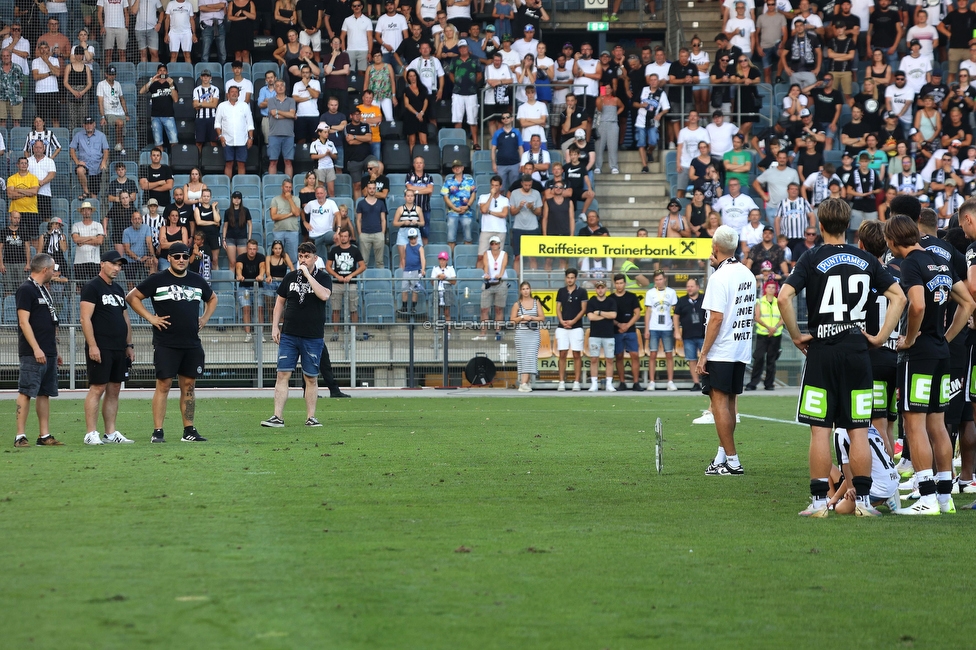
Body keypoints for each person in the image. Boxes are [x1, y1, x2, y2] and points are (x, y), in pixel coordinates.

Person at [779, 198, 906, 516]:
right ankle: (863, 502)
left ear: (820, 226)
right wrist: (879, 337)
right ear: (848, 226)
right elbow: (899, 297)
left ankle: (820, 502)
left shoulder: (811, 257)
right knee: (858, 428)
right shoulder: (866, 258)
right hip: (856, 350)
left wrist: (796, 335)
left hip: (823, 350)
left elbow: (784, 297)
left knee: (820, 428)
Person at [885, 215, 973, 514]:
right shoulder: (940, 260)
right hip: (940, 352)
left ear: (893, 240)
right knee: (937, 423)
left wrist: (909, 338)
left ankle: (925, 496)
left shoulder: (910, 263)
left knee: (914, 422)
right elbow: (969, 303)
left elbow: (918, 304)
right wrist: (946, 337)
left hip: (919, 354)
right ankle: (945, 497)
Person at [127, 243, 218, 443]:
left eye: (185, 257)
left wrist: (204, 318)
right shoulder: (157, 279)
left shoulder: (196, 280)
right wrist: (151, 318)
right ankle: (158, 431)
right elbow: (132, 297)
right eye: (176, 256)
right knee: (164, 385)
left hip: (191, 343)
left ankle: (189, 431)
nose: (181, 260)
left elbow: (212, 299)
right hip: (166, 342)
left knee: (189, 387)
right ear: (169, 258)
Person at [694, 225, 756, 475]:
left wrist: (703, 353)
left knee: (718, 404)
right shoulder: (747, 273)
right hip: (740, 348)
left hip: (722, 348)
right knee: (729, 404)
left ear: (715, 248)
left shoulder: (719, 277)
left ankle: (732, 460)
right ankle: (722, 457)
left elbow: (716, 318)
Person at [261, 242, 335, 428]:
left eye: (307, 256)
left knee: (310, 377)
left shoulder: (324, 277)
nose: (303, 260)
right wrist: (274, 327)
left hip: (312, 336)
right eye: (301, 256)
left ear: (314, 258)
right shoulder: (290, 277)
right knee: (282, 374)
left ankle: (311, 417)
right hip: (290, 334)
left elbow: (324, 295)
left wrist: (308, 275)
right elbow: (279, 303)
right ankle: (277, 416)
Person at [80, 250, 135, 445]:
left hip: (118, 347)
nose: (117, 268)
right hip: (100, 347)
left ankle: (110, 433)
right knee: (98, 387)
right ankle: (90, 433)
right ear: (102, 264)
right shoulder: (92, 287)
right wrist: (93, 345)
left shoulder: (119, 289)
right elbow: (84, 318)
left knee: (114, 388)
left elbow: (125, 318)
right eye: (113, 264)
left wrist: (129, 345)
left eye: (119, 265)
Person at [14, 254, 62, 447]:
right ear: (45, 270)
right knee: (26, 391)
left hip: (48, 351)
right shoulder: (26, 290)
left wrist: (55, 350)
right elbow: (23, 322)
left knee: (44, 393)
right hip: (33, 352)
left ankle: (44, 435)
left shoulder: (43, 290)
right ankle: (20, 436)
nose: (54, 272)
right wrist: (36, 348)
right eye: (52, 269)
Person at [325, 227, 365, 339]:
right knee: (336, 309)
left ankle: (355, 332)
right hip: (337, 283)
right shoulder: (334, 250)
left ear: (349, 237)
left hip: (351, 283)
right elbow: (327, 266)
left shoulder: (355, 250)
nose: (343, 238)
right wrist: (337, 275)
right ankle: (335, 333)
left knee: (353, 309)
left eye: (345, 236)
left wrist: (351, 275)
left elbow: (362, 266)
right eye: (341, 236)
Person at [746, 279, 783, 391]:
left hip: (776, 334)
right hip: (763, 333)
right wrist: (769, 328)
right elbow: (757, 317)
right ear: (765, 289)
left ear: (776, 289)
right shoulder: (760, 302)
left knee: (771, 360)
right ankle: (753, 383)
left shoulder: (779, 302)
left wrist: (774, 328)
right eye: (769, 287)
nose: (771, 289)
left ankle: (769, 384)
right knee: (759, 358)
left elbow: (783, 317)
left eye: (773, 287)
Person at [644, 270, 678, 391]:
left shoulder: (672, 292)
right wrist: (646, 328)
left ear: (665, 279)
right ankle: (652, 381)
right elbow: (648, 311)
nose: (659, 282)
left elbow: (675, 312)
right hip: (654, 327)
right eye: (656, 280)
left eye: (660, 279)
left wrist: (676, 329)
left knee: (669, 354)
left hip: (667, 327)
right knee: (652, 354)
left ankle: (670, 381)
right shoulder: (650, 293)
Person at [609, 273, 643, 391]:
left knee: (634, 355)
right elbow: (609, 315)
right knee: (619, 356)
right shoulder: (610, 298)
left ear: (625, 283)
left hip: (631, 330)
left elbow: (637, 313)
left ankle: (636, 382)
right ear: (615, 284)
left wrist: (627, 325)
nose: (619, 285)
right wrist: (619, 324)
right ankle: (622, 382)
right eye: (617, 283)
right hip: (616, 330)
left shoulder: (632, 297)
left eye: (621, 283)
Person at [555, 267, 587, 391]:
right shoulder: (561, 291)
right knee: (562, 354)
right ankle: (561, 381)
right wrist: (562, 321)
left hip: (576, 327)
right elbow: (558, 308)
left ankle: (576, 382)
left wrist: (573, 321)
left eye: (572, 277)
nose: (570, 280)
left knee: (576, 354)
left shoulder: (582, 291)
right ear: (565, 278)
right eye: (568, 277)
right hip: (562, 327)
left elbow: (583, 309)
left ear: (576, 278)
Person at [213, 85, 255, 178]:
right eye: (232, 92)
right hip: (227, 140)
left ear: (239, 94)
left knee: (241, 164)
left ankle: (240, 185)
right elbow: (217, 123)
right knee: (229, 163)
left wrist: (250, 138)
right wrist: (220, 136)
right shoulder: (222, 106)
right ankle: (228, 186)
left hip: (242, 140)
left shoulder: (244, 106)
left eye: (236, 92)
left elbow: (250, 123)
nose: (234, 93)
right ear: (228, 94)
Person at [584, 279, 617, 392]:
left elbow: (613, 315)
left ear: (606, 288)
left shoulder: (611, 301)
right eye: (598, 287)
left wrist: (599, 312)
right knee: (594, 359)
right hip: (595, 334)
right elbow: (591, 317)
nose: (600, 290)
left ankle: (609, 383)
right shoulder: (592, 301)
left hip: (609, 334)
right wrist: (605, 315)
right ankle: (594, 383)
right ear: (595, 289)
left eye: (602, 287)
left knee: (609, 359)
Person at [674, 278, 706, 391]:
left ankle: (706, 382)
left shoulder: (704, 299)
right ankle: (696, 383)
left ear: (697, 287)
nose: (689, 288)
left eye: (691, 286)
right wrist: (677, 331)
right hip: (688, 336)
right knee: (691, 359)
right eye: (688, 286)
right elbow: (676, 316)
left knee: (706, 359)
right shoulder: (682, 300)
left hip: (703, 335)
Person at [474, 235, 507, 340]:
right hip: (489, 283)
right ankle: (483, 333)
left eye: (496, 243)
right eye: (492, 243)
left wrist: (500, 275)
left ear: (499, 244)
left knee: (499, 309)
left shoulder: (504, 254)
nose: (494, 245)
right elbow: (486, 265)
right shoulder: (486, 253)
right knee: (484, 309)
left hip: (500, 283)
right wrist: (486, 274)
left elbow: (503, 266)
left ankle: (498, 332)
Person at [70, 117, 110, 201]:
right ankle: (86, 191)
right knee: (80, 170)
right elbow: (72, 149)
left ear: (94, 124)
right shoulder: (78, 135)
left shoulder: (101, 136)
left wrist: (103, 162)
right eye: (87, 124)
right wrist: (77, 162)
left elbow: (105, 150)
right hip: (84, 164)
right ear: (83, 125)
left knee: (94, 195)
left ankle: (94, 210)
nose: (89, 126)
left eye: (91, 124)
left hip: (96, 167)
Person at [141, 64, 179, 147]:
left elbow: (176, 99)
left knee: (174, 141)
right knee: (158, 143)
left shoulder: (171, 83)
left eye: (164, 70)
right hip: (156, 117)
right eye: (160, 70)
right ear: (157, 72)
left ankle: (173, 158)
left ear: (167, 72)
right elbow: (141, 91)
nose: (162, 72)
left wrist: (171, 85)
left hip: (168, 116)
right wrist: (152, 81)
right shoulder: (153, 84)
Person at [235, 239, 265, 341]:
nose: (252, 251)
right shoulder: (241, 257)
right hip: (244, 287)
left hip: (258, 287)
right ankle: (248, 334)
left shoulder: (261, 257)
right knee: (246, 308)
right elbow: (239, 267)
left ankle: (260, 333)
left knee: (259, 309)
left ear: (257, 249)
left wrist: (261, 275)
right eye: (250, 249)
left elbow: (262, 267)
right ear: (247, 249)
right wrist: (239, 275)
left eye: (254, 249)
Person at [270, 179, 302, 265]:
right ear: (282, 187)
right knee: (277, 256)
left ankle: (293, 276)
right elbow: (273, 216)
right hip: (278, 231)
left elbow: (296, 213)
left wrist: (289, 199)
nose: (288, 189)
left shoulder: (296, 199)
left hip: (292, 231)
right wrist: (289, 214)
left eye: (290, 187)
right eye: (286, 187)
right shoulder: (275, 199)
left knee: (293, 257)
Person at [72, 201, 105, 283]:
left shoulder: (98, 225)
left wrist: (82, 241)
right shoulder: (76, 225)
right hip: (79, 260)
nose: (86, 212)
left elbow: (100, 241)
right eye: (84, 210)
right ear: (81, 212)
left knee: (95, 284)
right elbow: (76, 239)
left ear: (91, 211)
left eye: (88, 210)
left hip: (95, 260)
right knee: (80, 285)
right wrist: (91, 237)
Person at [399, 228, 425, 316]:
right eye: (411, 238)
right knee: (404, 289)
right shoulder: (405, 246)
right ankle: (404, 307)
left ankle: (413, 307)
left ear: (417, 237)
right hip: (407, 269)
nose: (412, 240)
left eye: (414, 238)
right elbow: (403, 257)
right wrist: (403, 266)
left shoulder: (420, 247)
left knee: (415, 290)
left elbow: (422, 259)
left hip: (416, 270)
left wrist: (423, 269)